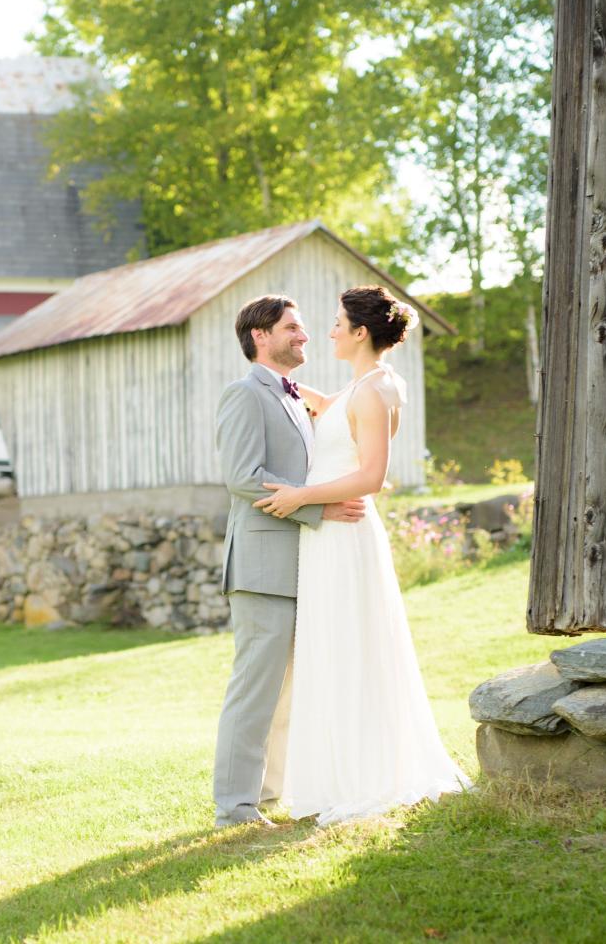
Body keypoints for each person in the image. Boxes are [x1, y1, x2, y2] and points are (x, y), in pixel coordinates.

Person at [254, 285, 471, 826]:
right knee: (333, 648)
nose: (327, 331)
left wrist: (298, 496)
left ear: (360, 333)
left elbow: (372, 475)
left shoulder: (374, 390)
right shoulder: (365, 387)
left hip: (344, 535)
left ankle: (362, 775)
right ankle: (336, 770)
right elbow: (341, 423)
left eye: (336, 322)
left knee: (349, 647)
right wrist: (304, 395)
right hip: (330, 537)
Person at [212, 294, 366, 829]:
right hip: (260, 568)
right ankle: (234, 808)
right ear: (260, 335)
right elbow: (242, 476)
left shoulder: (294, 397)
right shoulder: (244, 394)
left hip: (300, 566)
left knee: (285, 694)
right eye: (293, 328)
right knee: (255, 690)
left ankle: (269, 794)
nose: (304, 336)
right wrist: (319, 506)